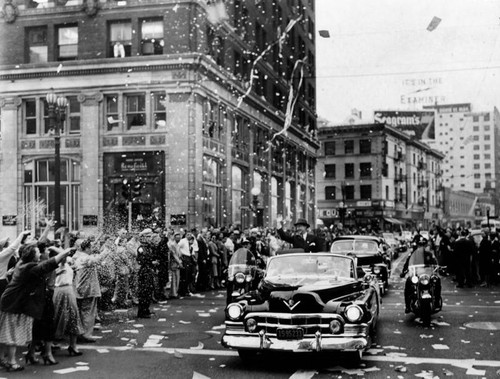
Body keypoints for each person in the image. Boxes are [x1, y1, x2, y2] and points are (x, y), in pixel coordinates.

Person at [0, 244, 72, 372]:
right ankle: (11, 362)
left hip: (10, 301)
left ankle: (2, 359)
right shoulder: (28, 267)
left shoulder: (22, 263)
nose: (40, 254)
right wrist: (65, 251)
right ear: (32, 255)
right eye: (38, 252)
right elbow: (48, 264)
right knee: (12, 333)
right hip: (13, 304)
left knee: (6, 332)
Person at [72, 238, 106, 343]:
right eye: (90, 247)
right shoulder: (85, 259)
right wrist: (107, 250)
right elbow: (97, 259)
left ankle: (79, 332)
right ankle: (86, 334)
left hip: (79, 289)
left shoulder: (76, 256)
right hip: (88, 290)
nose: (92, 249)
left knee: (80, 313)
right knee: (88, 313)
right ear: (86, 248)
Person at [53, 254, 84, 359]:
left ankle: (72, 345)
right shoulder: (59, 265)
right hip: (63, 290)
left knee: (72, 316)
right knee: (59, 316)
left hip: (67, 290)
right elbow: (64, 255)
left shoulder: (65, 265)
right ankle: (70, 345)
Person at [400, 238, 438, 313]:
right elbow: (408, 263)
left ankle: (436, 301)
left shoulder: (429, 254)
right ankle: (408, 305)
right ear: (417, 245)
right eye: (420, 245)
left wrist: (438, 268)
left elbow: (435, 263)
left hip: (427, 275)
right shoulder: (413, 254)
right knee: (408, 283)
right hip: (417, 275)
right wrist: (404, 271)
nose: (421, 247)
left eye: (423, 245)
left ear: (426, 245)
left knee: (437, 281)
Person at [136, 229, 158, 318]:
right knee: (144, 292)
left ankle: (146, 309)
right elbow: (141, 260)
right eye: (148, 236)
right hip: (144, 271)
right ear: (143, 237)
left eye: (150, 236)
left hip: (148, 270)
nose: (150, 238)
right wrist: (151, 262)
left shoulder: (148, 247)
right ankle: (142, 311)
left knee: (148, 291)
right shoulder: (141, 248)